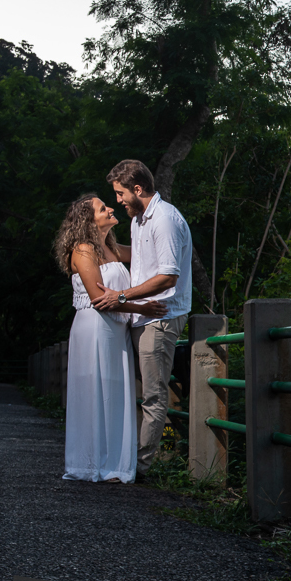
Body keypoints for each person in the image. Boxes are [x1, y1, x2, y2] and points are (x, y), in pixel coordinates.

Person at [54, 194, 167, 483]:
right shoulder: (83, 250)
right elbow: (98, 299)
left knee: (115, 394)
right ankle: (92, 463)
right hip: (94, 328)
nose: (110, 209)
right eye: (103, 208)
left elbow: (148, 252)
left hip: (116, 329)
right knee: (95, 392)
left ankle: (116, 464)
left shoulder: (112, 247)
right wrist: (142, 307)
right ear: (88, 219)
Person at [91, 160, 193, 480]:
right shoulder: (138, 221)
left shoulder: (164, 220)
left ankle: (142, 468)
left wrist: (121, 297)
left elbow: (167, 277)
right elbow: (138, 261)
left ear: (137, 190)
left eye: (120, 194)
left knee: (154, 395)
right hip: (140, 318)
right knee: (140, 393)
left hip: (160, 317)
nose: (118, 201)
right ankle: (129, 460)